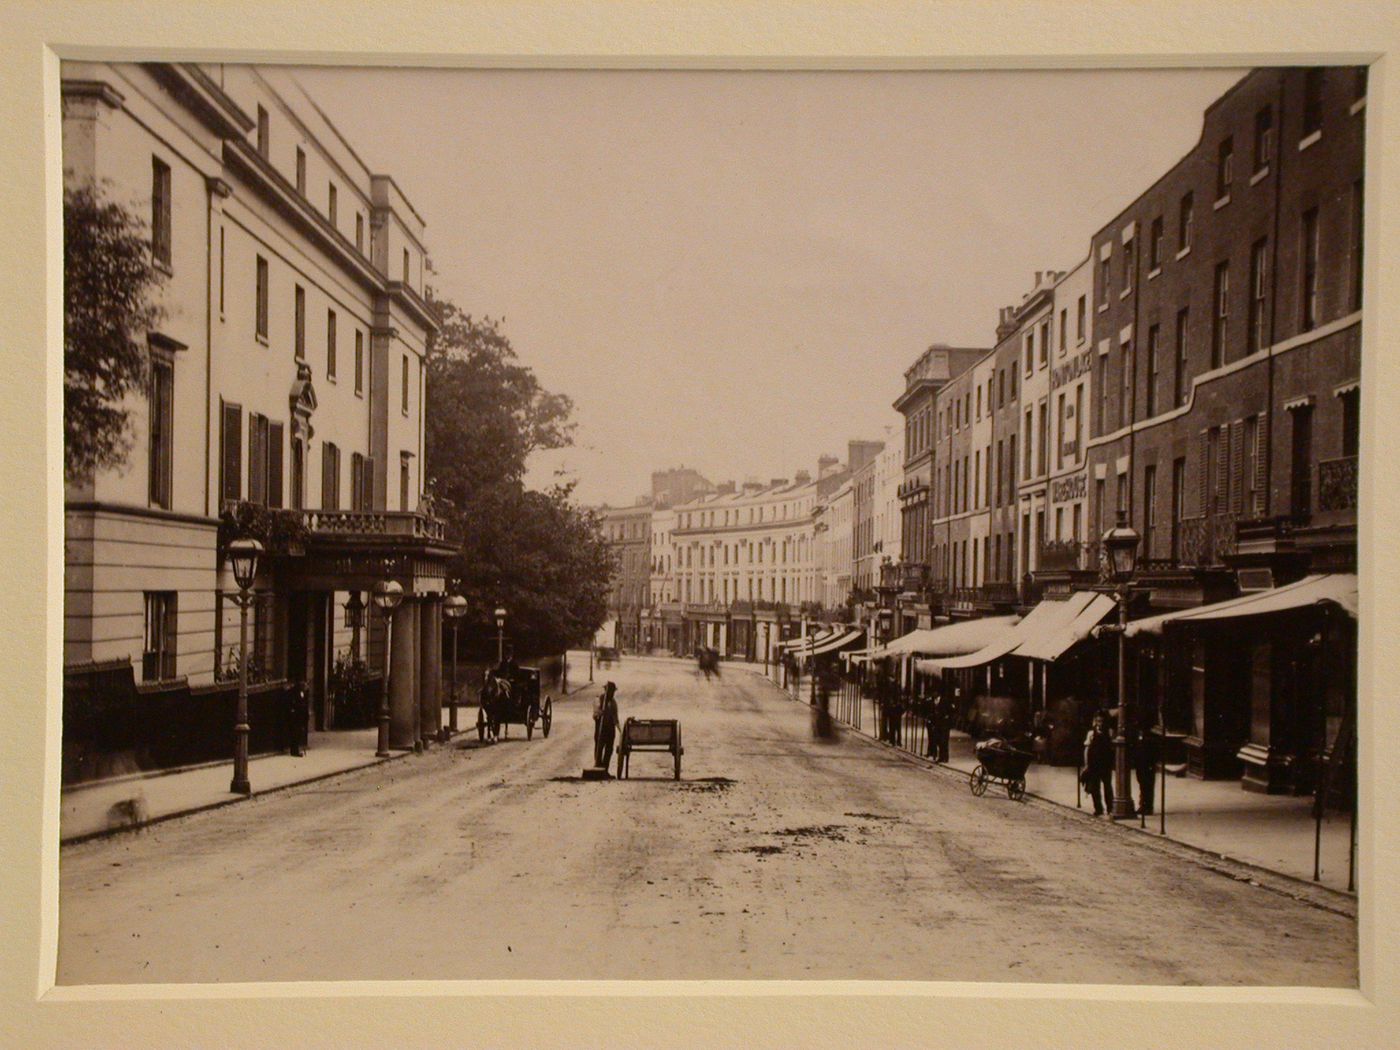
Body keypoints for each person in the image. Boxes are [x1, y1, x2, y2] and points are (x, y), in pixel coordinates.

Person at [1081, 712, 1116, 816]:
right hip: (1094, 763)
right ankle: (1098, 808)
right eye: (1097, 721)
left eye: (1101, 721)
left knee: (1107, 786)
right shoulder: (1091, 734)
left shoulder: (1109, 732)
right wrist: (1086, 764)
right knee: (1095, 787)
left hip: (1105, 763)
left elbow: (1112, 748)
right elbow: (1087, 749)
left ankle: (1110, 808)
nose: (1099, 724)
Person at [593, 681, 620, 771]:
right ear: (606, 691)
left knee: (609, 750)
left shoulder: (613, 702)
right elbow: (595, 714)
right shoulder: (599, 700)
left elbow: (615, 717)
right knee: (599, 748)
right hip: (601, 728)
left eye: (613, 692)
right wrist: (600, 713)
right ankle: (597, 767)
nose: (612, 694)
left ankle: (605, 769)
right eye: (610, 692)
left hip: (610, 729)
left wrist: (619, 729)